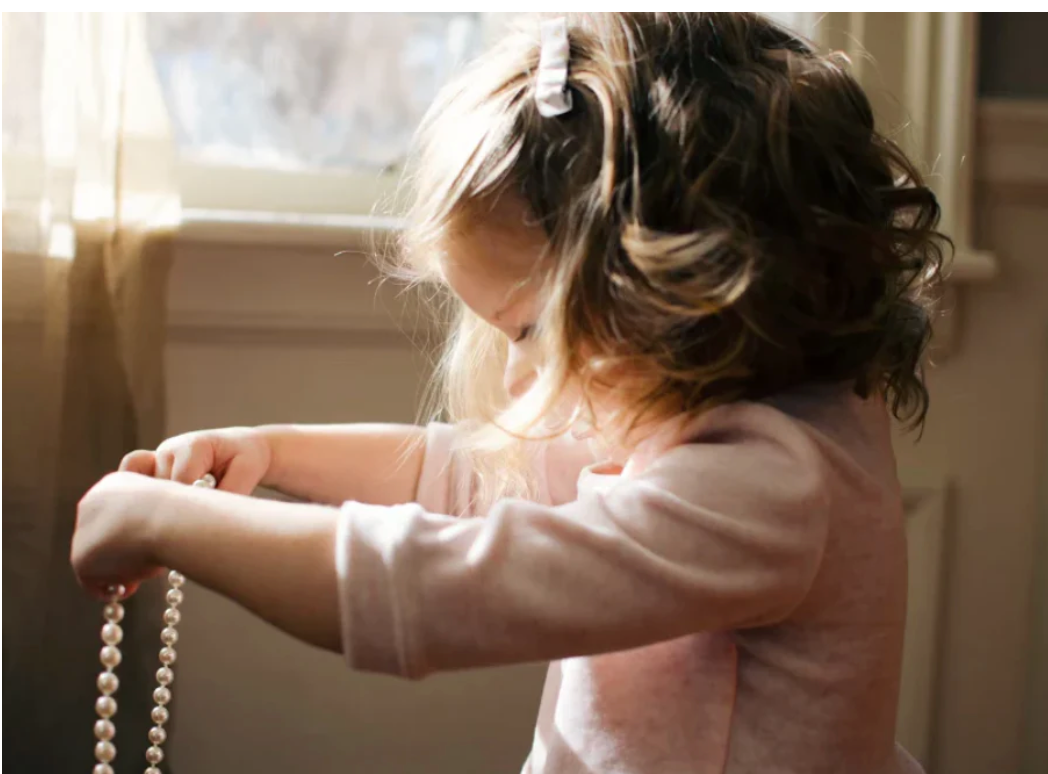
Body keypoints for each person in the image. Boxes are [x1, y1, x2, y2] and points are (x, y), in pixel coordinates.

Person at [71, 13, 945, 773]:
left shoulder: (769, 489)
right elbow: (471, 471)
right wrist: (270, 450)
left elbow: (429, 591)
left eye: (530, 328)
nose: (522, 373)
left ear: (683, 285)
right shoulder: (711, 415)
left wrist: (162, 522)